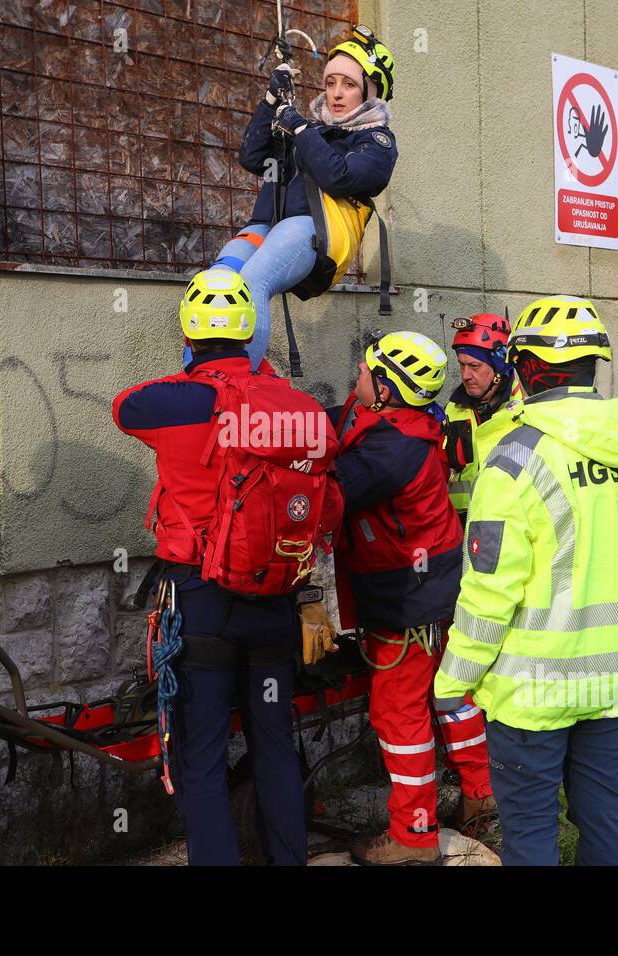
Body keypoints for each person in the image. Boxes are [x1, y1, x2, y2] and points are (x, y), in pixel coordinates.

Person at [113, 268, 338, 865]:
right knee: (272, 746)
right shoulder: (298, 406)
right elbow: (329, 497)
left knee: (203, 756)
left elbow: (122, 409)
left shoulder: (174, 400)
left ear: (190, 332)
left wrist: (195, 376)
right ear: (251, 334)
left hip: (201, 603)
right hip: (276, 604)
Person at [434, 295, 618, 866]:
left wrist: (452, 680)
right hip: (614, 677)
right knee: (603, 813)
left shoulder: (512, 458)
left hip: (534, 688)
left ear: (528, 368)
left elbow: (489, 591)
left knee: (531, 829)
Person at [329, 331, 493, 865]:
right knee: (453, 696)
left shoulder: (390, 451)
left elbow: (329, 493)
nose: (356, 372)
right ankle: (482, 798)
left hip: (405, 602)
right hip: (437, 588)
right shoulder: (410, 423)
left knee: (399, 715)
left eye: (366, 370)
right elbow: (345, 416)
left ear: (386, 389)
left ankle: (413, 837)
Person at [207, 25, 397, 370]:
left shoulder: (376, 141)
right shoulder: (311, 131)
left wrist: (299, 126)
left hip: (313, 233)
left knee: (251, 284)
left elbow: (339, 177)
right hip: (267, 224)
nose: (336, 93)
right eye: (330, 83)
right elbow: (253, 158)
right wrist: (271, 102)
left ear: (371, 93)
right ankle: (203, 379)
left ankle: (238, 384)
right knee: (215, 285)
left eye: (349, 85)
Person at [442, 313, 519, 521]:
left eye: (475, 366)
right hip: (460, 523)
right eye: (462, 365)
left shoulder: (525, 410)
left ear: (499, 368)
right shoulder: (452, 410)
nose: (466, 375)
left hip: (510, 521)